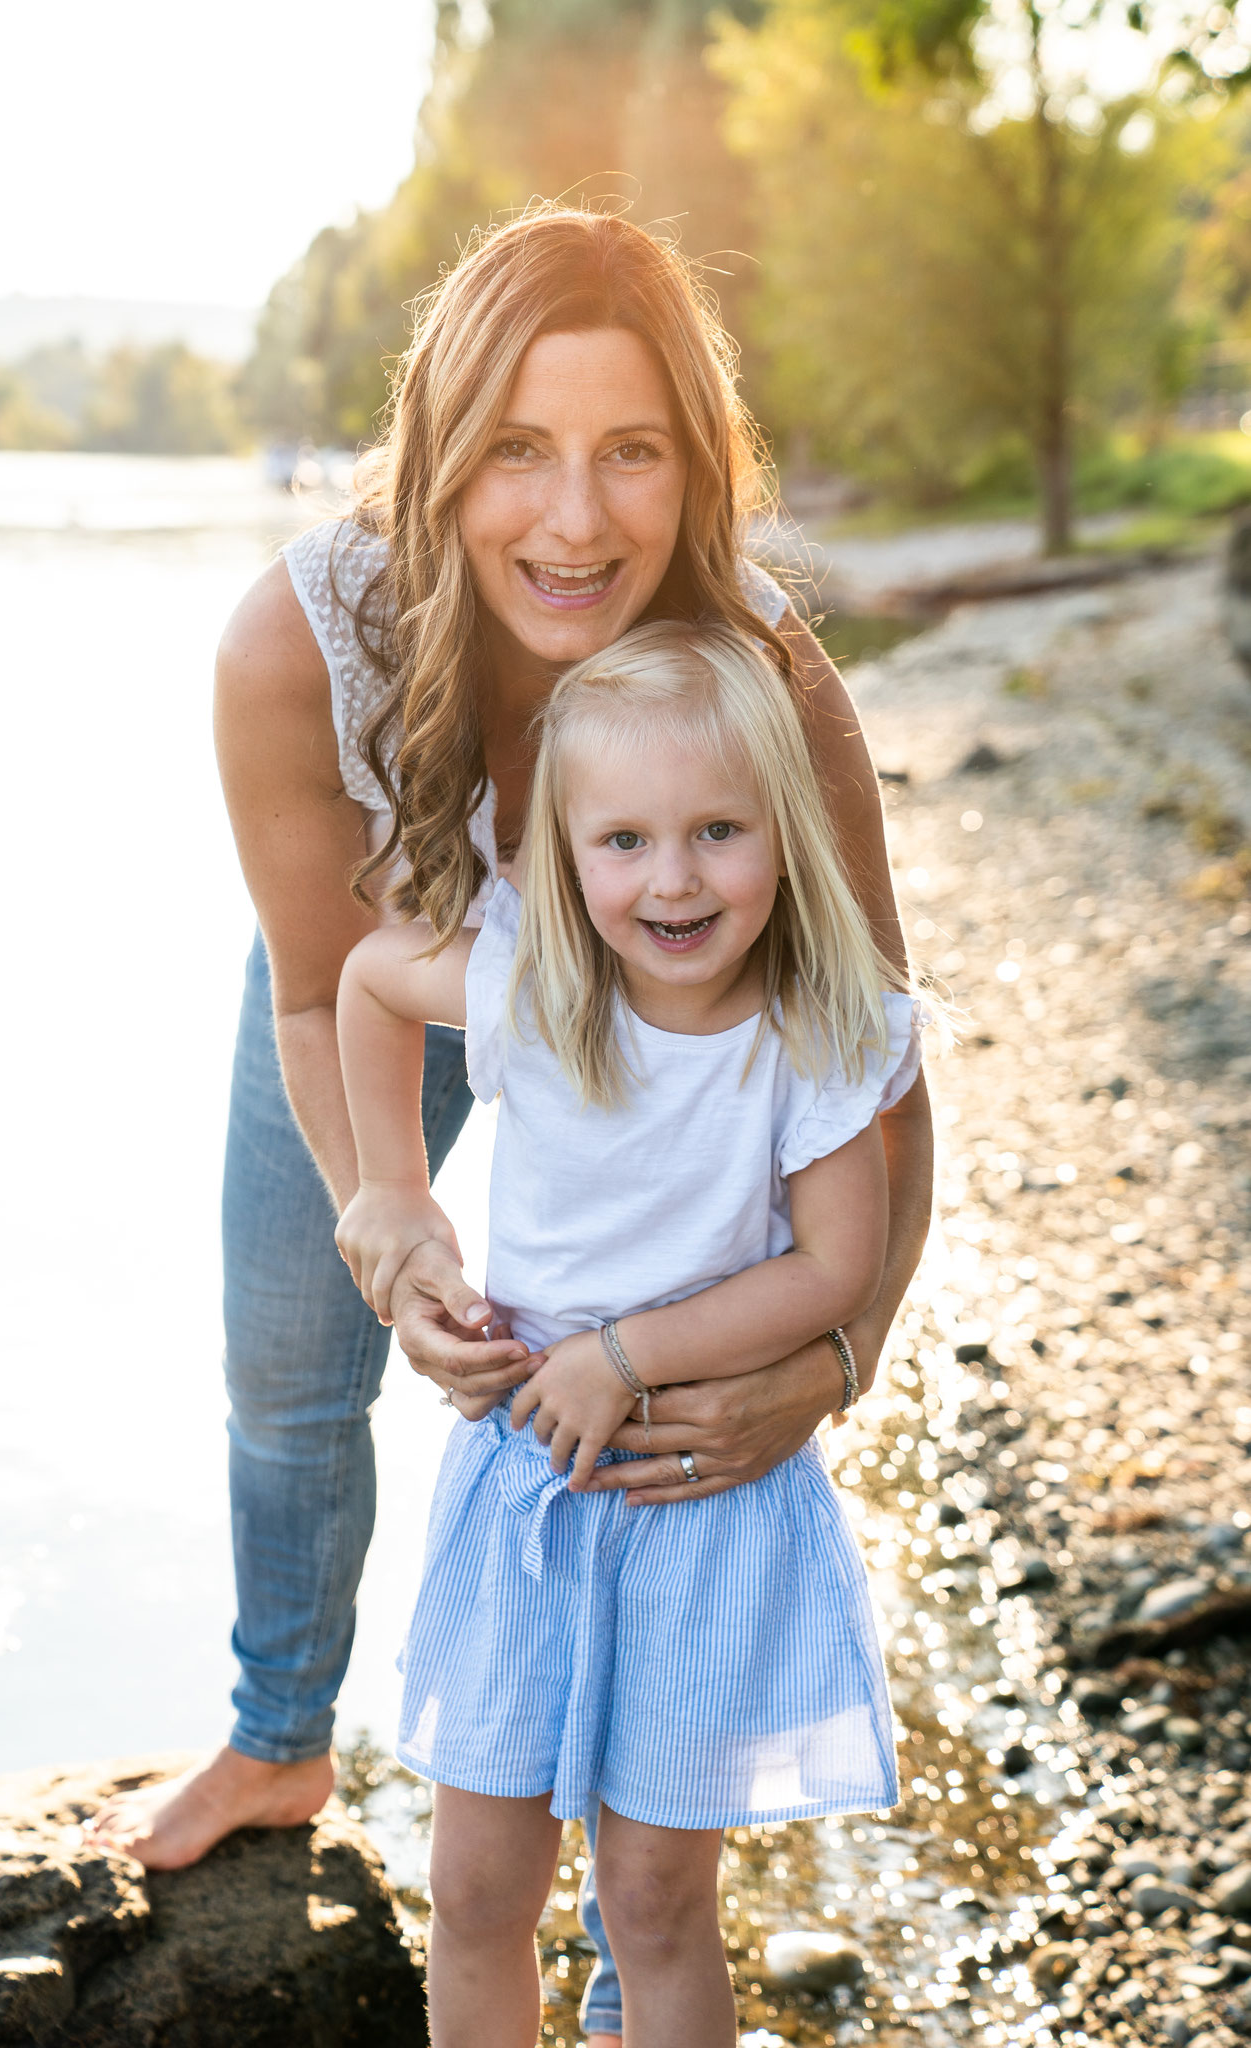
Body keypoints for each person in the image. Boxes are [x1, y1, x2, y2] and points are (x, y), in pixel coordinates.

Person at [88, 205, 934, 2048]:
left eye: (631, 451)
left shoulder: (766, 684)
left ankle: (660, 1869)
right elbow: (330, 990)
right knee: (295, 1349)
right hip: (399, 966)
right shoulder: (296, 641)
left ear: (694, 469)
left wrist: (840, 1355)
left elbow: (875, 1065)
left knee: (701, 1366)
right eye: (516, 454)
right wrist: (388, 1206)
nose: (573, 520)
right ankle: (276, 1738)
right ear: (436, 456)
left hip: (658, 987)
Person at [335, 621, 921, 2048]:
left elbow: (837, 1269)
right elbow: (361, 981)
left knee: (655, 1906)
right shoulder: (532, 984)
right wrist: (395, 1192)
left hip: (699, 1499)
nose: (671, 878)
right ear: (556, 852)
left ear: (782, 833)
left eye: (717, 831)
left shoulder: (816, 1030)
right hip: (525, 1480)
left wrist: (625, 1355)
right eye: (623, 841)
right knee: (475, 1887)